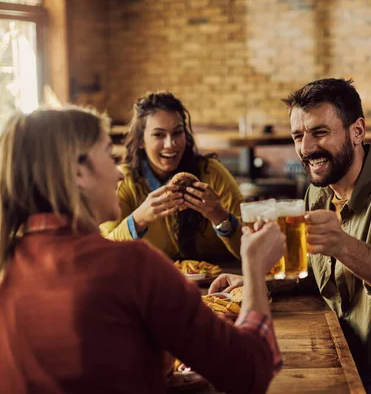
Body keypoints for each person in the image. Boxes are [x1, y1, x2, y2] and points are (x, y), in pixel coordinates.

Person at [0, 107, 284, 394]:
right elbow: (248, 370)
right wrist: (256, 270)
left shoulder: (8, 264)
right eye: (110, 155)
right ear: (78, 172)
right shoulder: (131, 265)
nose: (118, 174)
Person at [211, 78, 371, 393]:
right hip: (343, 354)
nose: (307, 148)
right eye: (298, 136)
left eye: (320, 132)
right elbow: (316, 273)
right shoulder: (318, 194)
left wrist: (343, 245)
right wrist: (259, 281)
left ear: (358, 131)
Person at [100, 91, 243, 262]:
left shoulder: (211, 173)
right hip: (151, 286)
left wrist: (220, 217)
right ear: (140, 141)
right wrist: (138, 220)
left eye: (177, 133)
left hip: (220, 285)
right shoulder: (123, 181)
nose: (170, 144)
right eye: (158, 135)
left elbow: (253, 249)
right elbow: (103, 254)